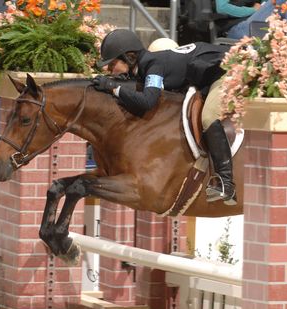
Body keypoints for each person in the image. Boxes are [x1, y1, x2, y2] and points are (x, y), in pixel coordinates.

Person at [94, 29, 237, 204]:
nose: (109, 69)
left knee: (207, 117)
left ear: (129, 57)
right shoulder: (146, 66)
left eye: (112, 64)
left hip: (225, 71)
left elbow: (148, 101)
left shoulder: (153, 65)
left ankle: (225, 182)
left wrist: (112, 87)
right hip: (205, 74)